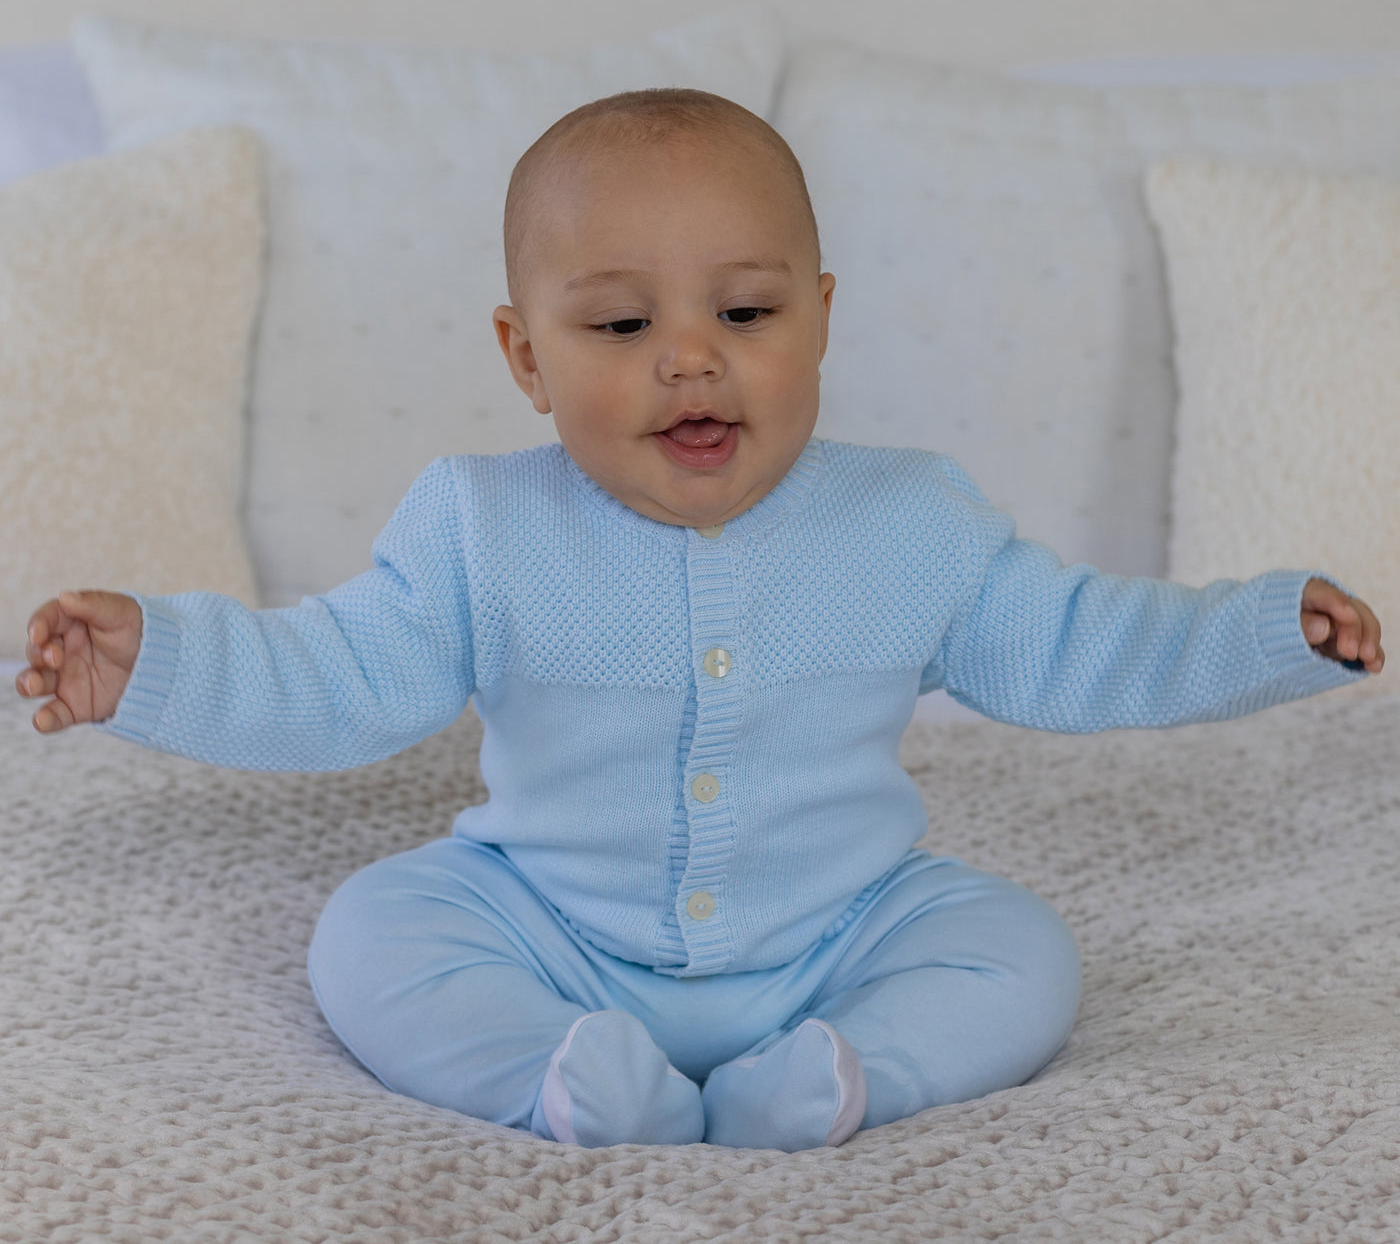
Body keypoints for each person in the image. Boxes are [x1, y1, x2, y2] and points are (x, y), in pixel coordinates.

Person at [15, 89, 1384, 1152]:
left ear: (820, 320)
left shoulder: (910, 519)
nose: (691, 356)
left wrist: (1264, 633)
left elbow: (1084, 643)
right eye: (620, 326)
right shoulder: (479, 523)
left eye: (745, 309)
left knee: (1020, 953)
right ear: (526, 358)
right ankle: (564, 1073)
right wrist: (159, 663)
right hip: (551, 925)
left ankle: (843, 1073)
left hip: (842, 930)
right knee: (371, 933)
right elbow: (335, 674)